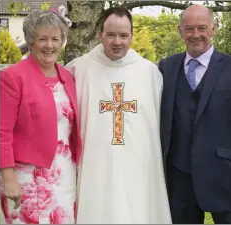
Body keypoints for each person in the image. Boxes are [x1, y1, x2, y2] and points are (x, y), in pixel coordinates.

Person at [65, 7, 172, 224]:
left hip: (138, 167)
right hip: (94, 167)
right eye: (111, 35)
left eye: (124, 35)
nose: (117, 41)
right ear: (100, 35)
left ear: (132, 36)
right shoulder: (78, 70)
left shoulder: (150, 73)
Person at [0, 8, 82, 224]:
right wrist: (8, 179)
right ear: (30, 41)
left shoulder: (67, 76)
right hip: (26, 177)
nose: (50, 45)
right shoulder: (12, 77)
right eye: (42, 39)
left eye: (55, 39)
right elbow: (2, 132)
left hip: (64, 175)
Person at [159, 4, 231, 224]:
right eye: (189, 29)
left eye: (202, 28)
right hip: (179, 177)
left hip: (225, 174)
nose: (196, 35)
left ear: (214, 29)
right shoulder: (165, 68)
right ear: (180, 31)